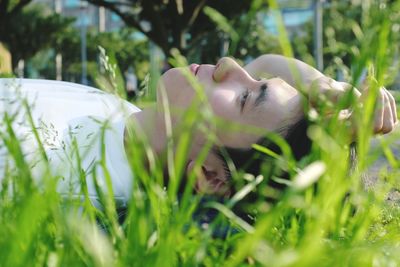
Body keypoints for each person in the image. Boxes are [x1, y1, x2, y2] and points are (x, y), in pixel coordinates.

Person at [0, 55, 397, 209]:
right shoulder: (124, 125)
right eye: (254, 77)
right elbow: (267, 60)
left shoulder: (74, 178)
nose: (228, 64)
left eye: (243, 96)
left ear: (207, 176)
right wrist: (322, 86)